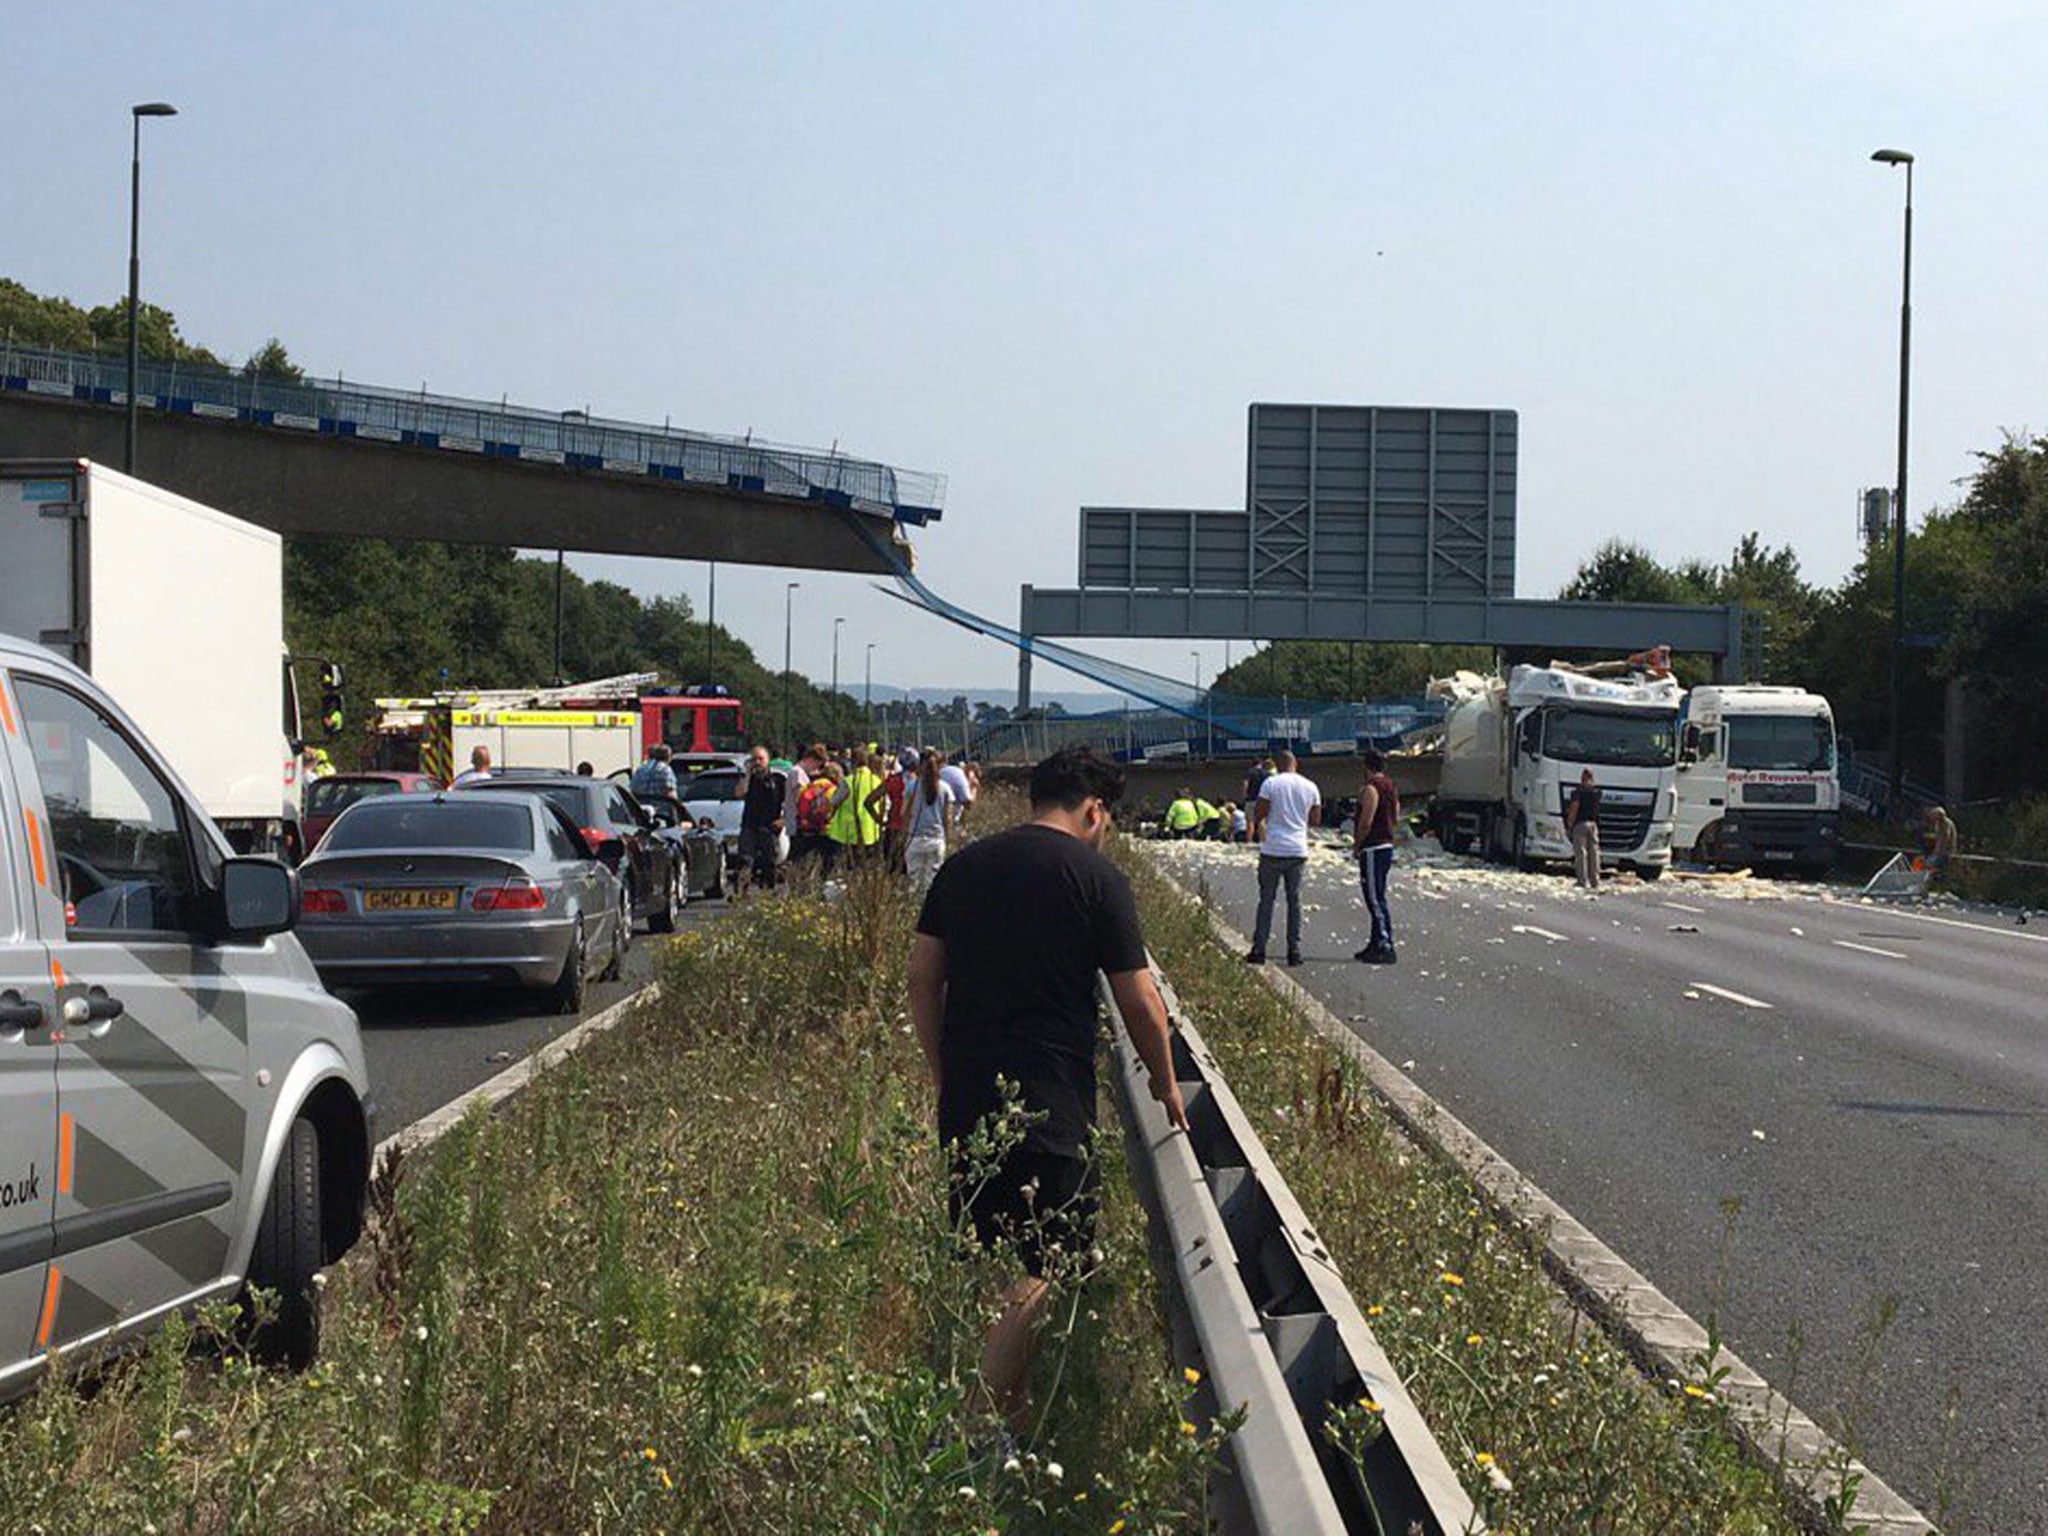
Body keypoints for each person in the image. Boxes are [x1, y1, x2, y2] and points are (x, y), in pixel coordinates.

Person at [909, 746, 1187, 1433]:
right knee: (1046, 1265)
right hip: (1050, 1101)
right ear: (1095, 810)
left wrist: (943, 1067)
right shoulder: (1097, 878)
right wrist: (1165, 1081)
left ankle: (1009, 1426)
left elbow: (921, 978)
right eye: (1107, 819)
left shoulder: (963, 867)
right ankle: (973, 1426)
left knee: (988, 1262)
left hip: (970, 1095)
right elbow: (1140, 1002)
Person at [1248, 751, 1320, 966]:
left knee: (1266, 901)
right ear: (1296, 763)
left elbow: (1259, 813)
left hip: (1273, 849)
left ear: (1276, 765)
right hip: (1297, 851)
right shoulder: (1311, 786)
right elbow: (1315, 820)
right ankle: (1294, 951)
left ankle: (1259, 950)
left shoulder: (1271, 784)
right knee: (1294, 901)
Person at [1352, 749, 1401, 964]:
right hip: (1387, 845)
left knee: (1374, 898)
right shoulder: (1391, 787)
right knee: (1377, 894)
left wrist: (1357, 844)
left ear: (1367, 767)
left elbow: (1366, 821)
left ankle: (1385, 943)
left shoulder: (1371, 788)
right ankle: (1374, 943)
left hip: (1373, 847)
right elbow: (1396, 815)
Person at [902, 748, 958, 899]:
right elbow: (948, 819)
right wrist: (949, 839)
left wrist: (903, 835)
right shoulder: (945, 789)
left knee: (913, 881)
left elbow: (904, 814)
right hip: (936, 839)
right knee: (931, 883)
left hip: (915, 838)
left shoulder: (911, 786)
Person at [736, 746, 785, 896]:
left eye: (760, 759)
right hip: (750, 825)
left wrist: (784, 820)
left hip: (770, 826)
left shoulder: (778, 779)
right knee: (745, 860)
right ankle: (742, 893)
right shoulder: (748, 779)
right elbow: (739, 793)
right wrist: (748, 775)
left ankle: (767, 891)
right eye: (754, 759)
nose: (757, 762)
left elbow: (790, 802)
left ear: (768, 760)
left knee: (768, 861)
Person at [828, 750, 884, 865]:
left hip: (848, 832)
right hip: (871, 831)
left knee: (850, 867)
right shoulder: (877, 781)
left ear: (853, 762)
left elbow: (833, 801)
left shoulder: (848, 781)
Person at [796, 762, 841, 870]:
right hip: (826, 830)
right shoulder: (833, 790)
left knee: (802, 862)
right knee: (828, 864)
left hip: (806, 828)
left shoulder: (808, 787)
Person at [1565, 768, 1603, 891]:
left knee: (1581, 853)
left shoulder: (1578, 792)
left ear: (1583, 777)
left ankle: (1582, 880)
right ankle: (1595, 881)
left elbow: (1574, 808)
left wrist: (1569, 825)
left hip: (1580, 824)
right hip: (1593, 824)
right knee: (1594, 853)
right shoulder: (1597, 792)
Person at [1923, 804, 1958, 886]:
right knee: (1929, 866)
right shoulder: (1938, 823)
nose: (1932, 818)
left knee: (1935, 868)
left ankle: (1936, 885)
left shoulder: (1945, 823)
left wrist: (1938, 851)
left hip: (1945, 852)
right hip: (1939, 850)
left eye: (1933, 816)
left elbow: (1945, 838)